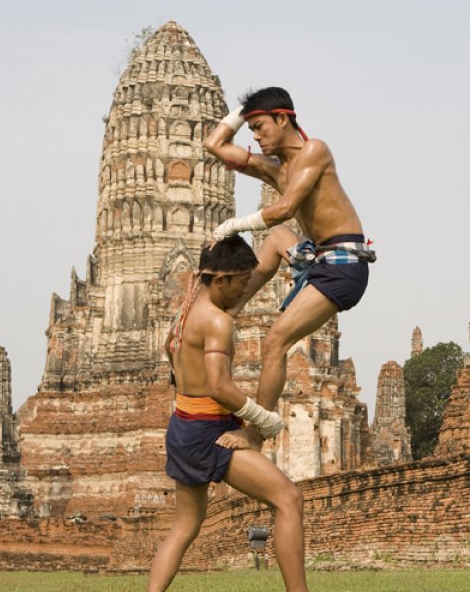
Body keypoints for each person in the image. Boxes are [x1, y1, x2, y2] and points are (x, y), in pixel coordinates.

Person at [147, 235, 308, 592]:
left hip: (183, 425)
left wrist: (277, 241)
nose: (243, 292)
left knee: (185, 526)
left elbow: (169, 351)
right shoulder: (217, 321)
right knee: (289, 498)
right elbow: (220, 386)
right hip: (208, 431)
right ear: (220, 280)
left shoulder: (186, 311)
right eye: (239, 284)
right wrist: (262, 419)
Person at [203, 86, 374, 413]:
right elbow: (215, 146)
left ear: (282, 119)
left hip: (344, 264)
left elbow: (286, 206)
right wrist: (245, 110)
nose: (255, 137)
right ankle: (230, 311)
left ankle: (257, 431)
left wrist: (232, 226)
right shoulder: (273, 167)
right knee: (279, 238)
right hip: (317, 256)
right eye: (251, 130)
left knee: (273, 343)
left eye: (260, 127)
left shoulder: (315, 151)